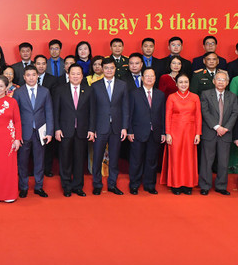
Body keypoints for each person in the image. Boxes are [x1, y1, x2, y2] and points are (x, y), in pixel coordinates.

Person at [87, 58, 128, 195]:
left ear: (115, 69)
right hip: (100, 127)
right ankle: (97, 184)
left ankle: (112, 184)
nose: (109, 70)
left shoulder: (122, 85)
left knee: (114, 158)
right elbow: (92, 109)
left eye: (111, 68)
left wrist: (124, 127)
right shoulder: (95, 85)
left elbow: (125, 107)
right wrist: (92, 129)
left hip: (117, 127)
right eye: (106, 68)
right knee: (97, 157)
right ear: (102, 69)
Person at [13, 65, 54, 197]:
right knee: (23, 161)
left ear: (37, 76)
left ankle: (38, 186)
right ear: (24, 77)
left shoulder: (45, 92)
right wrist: (16, 135)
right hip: (24, 132)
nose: (31, 77)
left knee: (39, 160)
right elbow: (15, 114)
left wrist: (50, 132)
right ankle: (23, 186)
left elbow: (49, 112)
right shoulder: (19, 92)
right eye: (28, 75)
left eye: (33, 75)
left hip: (40, 132)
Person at [198, 71, 238, 195]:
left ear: (227, 83)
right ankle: (205, 185)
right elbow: (205, 112)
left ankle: (221, 186)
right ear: (214, 81)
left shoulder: (232, 96)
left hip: (225, 133)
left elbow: (235, 113)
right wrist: (216, 127)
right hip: (210, 132)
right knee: (206, 160)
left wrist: (225, 128)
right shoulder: (205, 94)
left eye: (223, 80)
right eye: (218, 79)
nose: (221, 82)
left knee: (223, 161)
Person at [127, 67, 166, 195]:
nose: (149, 78)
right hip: (138, 132)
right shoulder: (134, 93)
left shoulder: (160, 95)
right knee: (136, 160)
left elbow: (163, 115)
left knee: (152, 160)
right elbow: (129, 113)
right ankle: (134, 185)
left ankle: (150, 185)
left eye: (152, 76)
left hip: (155, 132)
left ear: (155, 78)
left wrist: (163, 132)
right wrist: (130, 131)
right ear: (142, 78)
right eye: (147, 76)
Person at [161, 73, 201, 195]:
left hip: (190, 131)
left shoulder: (195, 97)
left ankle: (188, 185)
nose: (183, 84)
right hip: (175, 131)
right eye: (181, 82)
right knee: (175, 158)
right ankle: (176, 184)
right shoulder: (172, 97)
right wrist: (168, 133)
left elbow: (198, 116)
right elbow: (167, 116)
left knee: (189, 158)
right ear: (176, 84)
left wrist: (198, 133)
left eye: (186, 82)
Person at [54, 65, 90, 197]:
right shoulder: (60, 90)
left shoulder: (88, 90)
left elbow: (92, 112)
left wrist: (91, 129)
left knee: (80, 159)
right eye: (73, 73)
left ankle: (78, 186)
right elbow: (55, 111)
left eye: (78, 74)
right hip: (64, 130)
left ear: (82, 76)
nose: (75, 76)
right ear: (68, 75)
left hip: (82, 130)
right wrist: (56, 129)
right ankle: (67, 186)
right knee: (65, 159)